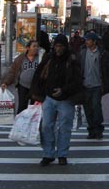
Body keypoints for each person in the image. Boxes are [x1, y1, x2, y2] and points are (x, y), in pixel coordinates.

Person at [30, 33, 84, 166]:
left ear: (65, 47)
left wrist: (64, 90)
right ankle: (48, 153)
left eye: (60, 46)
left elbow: (77, 80)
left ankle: (62, 154)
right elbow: (39, 75)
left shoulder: (72, 59)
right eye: (56, 46)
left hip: (66, 98)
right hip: (49, 97)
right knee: (46, 126)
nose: (58, 49)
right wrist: (36, 93)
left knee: (64, 128)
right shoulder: (49, 58)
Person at [78, 31, 109, 140]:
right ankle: (91, 129)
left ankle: (98, 129)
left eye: (88, 40)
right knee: (87, 109)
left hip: (97, 85)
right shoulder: (83, 52)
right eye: (86, 40)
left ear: (94, 42)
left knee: (96, 107)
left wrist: (108, 83)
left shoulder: (102, 54)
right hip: (85, 85)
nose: (86, 42)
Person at [1, 39, 41, 113]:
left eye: (37, 46)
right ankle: (20, 122)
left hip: (36, 86)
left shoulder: (40, 58)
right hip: (23, 85)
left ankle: (32, 123)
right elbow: (13, 72)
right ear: (28, 48)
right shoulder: (21, 58)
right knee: (22, 106)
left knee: (35, 107)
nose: (36, 48)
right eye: (34, 46)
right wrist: (6, 82)